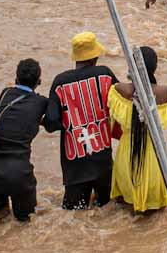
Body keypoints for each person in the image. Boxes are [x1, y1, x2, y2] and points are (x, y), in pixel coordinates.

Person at [0, 59, 59, 222]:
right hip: (19, 172)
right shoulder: (41, 102)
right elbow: (53, 124)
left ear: (16, 79)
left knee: (0, 221)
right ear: (39, 81)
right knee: (24, 224)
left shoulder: (4, 94)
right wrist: (40, 120)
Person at [48, 33, 118, 210]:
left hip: (75, 167)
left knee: (74, 217)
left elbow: (52, 122)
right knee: (107, 212)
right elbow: (121, 103)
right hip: (103, 163)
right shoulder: (105, 75)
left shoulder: (60, 82)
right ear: (94, 56)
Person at [106, 46, 167, 213]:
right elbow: (163, 123)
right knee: (155, 213)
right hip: (153, 156)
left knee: (125, 210)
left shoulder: (118, 90)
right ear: (155, 67)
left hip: (126, 155)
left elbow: (110, 121)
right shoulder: (164, 92)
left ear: (132, 66)